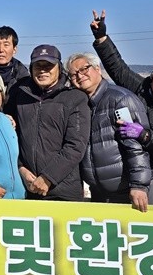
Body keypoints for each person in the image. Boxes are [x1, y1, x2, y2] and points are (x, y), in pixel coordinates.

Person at [90, 12, 153, 205]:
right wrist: (102, 37)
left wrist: (143, 135)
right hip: (126, 174)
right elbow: (118, 68)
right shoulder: (142, 88)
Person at [65, 52, 152, 211]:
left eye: (84, 69)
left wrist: (139, 185)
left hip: (124, 191)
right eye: (73, 74)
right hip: (98, 192)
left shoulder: (121, 99)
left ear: (97, 68)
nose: (80, 76)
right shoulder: (82, 103)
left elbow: (135, 146)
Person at [5, 44, 91, 202]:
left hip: (63, 190)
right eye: (38, 66)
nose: (43, 70)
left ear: (59, 67)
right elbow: (10, 137)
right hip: (26, 187)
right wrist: (20, 168)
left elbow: (76, 145)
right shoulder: (20, 94)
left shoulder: (75, 98)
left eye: (48, 66)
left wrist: (48, 178)